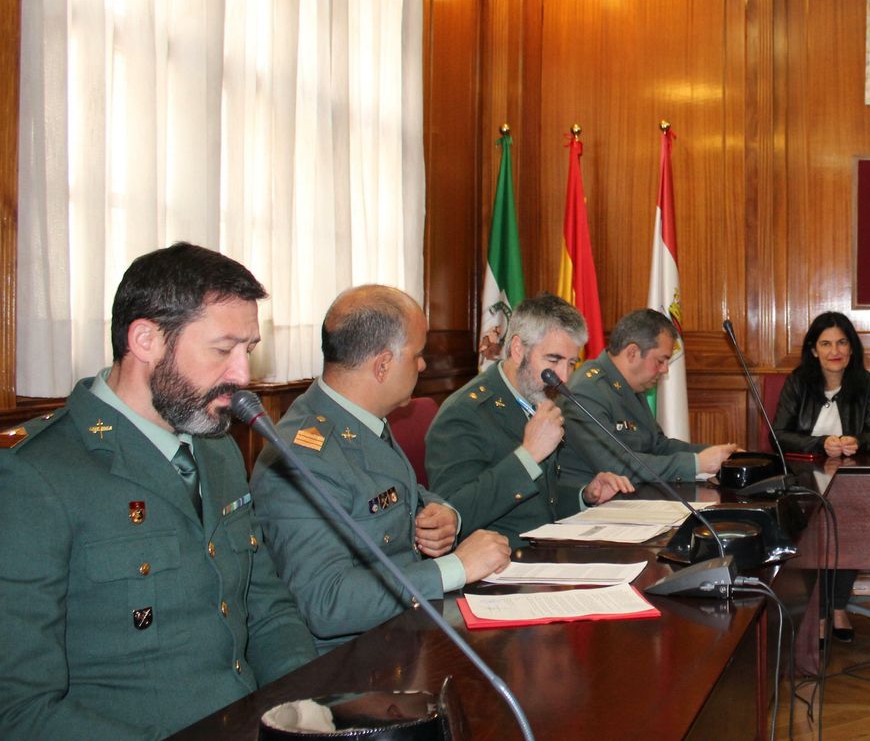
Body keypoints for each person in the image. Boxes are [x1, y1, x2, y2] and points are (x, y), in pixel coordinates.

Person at [0, 243, 316, 738]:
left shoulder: (216, 450)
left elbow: (266, 604)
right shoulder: (36, 476)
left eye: (247, 351)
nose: (242, 377)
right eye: (222, 350)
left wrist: (302, 709)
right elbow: (19, 710)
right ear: (145, 339)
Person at [250, 286, 510, 653]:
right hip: (358, 661)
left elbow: (397, 492)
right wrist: (454, 568)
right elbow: (327, 602)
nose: (422, 366)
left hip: (407, 631)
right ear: (383, 364)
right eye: (418, 355)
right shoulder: (301, 458)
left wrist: (441, 513)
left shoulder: (360, 418)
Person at [427, 293, 633, 545]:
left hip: (544, 550)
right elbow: (453, 516)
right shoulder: (465, 413)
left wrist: (585, 496)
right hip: (501, 562)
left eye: (571, 363)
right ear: (517, 349)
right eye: (553, 360)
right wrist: (528, 455)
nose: (564, 376)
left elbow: (540, 501)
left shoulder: (536, 398)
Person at [772, 312, 870, 642]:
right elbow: (778, 435)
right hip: (803, 481)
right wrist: (819, 444)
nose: (834, 350)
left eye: (841, 342)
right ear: (813, 350)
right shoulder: (798, 383)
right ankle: (819, 611)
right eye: (825, 343)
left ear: (851, 349)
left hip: (850, 481)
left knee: (848, 529)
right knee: (814, 535)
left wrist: (859, 441)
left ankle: (837, 607)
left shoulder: (864, 384)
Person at [559, 308, 739, 486]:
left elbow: (658, 446)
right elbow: (615, 466)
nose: (665, 369)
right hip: (588, 509)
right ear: (632, 353)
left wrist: (717, 455)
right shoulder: (586, 390)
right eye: (661, 361)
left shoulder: (631, 385)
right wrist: (697, 463)